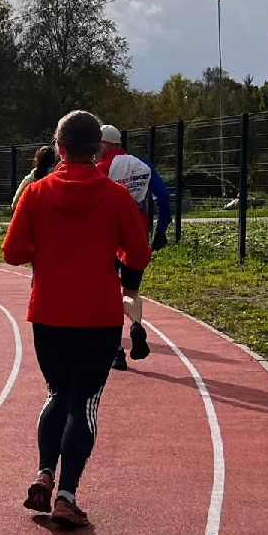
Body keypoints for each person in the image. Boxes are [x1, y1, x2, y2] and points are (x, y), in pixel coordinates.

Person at [1, 111, 152, 531]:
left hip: (48, 313)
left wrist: (47, 250)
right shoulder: (116, 197)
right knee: (83, 402)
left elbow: (12, 253)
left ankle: (43, 472)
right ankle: (66, 495)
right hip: (97, 316)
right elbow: (138, 256)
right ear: (98, 149)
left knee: (56, 394)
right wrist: (110, 254)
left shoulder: (35, 194)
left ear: (59, 148)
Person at [96, 124, 172, 370]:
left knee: (108, 293)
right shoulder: (143, 164)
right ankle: (137, 324)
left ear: (106, 144)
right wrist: (160, 231)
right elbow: (163, 196)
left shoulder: (102, 168)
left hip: (108, 237)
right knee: (130, 292)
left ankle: (118, 351)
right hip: (137, 235)